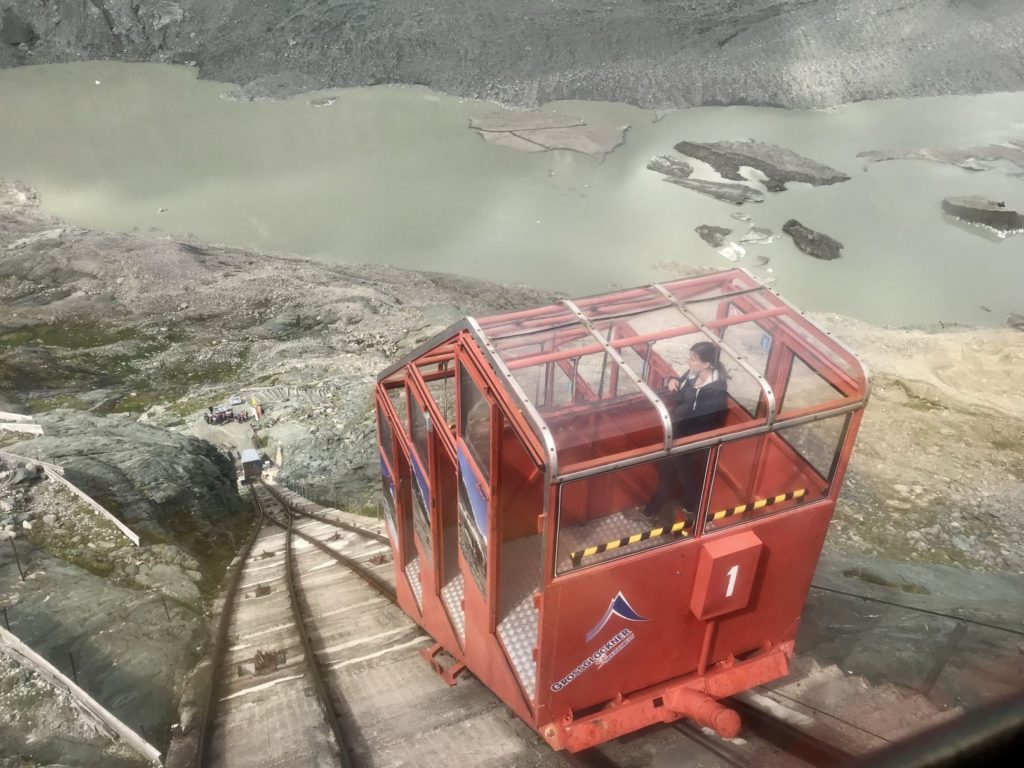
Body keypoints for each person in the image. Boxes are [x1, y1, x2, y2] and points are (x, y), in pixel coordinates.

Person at [641, 341, 729, 529]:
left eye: (693, 359)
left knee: (683, 478)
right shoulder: (692, 375)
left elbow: (703, 422)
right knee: (671, 475)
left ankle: (678, 511)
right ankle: (658, 510)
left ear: (706, 364)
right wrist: (672, 380)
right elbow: (681, 392)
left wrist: (681, 439)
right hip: (678, 437)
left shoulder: (715, 393)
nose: (689, 361)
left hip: (691, 443)